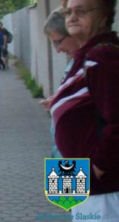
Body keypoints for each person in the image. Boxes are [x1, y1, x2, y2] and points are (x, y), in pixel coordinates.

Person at [50, 0, 119, 220]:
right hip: (74, 172)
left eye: (82, 11)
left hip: (100, 185)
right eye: (69, 11)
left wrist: (98, 168)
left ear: (102, 17)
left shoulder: (102, 55)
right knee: (70, 212)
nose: (72, 17)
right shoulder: (83, 55)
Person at [39, 8, 80, 158]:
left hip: (75, 157)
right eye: (53, 45)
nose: (57, 50)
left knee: (66, 183)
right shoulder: (75, 64)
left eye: (58, 42)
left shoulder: (92, 65)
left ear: (73, 33)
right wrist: (57, 101)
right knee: (57, 183)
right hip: (63, 153)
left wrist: (98, 166)